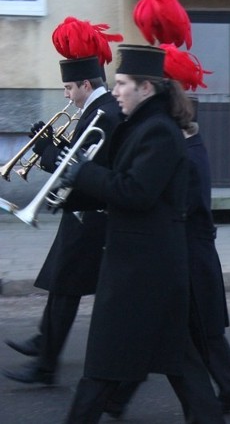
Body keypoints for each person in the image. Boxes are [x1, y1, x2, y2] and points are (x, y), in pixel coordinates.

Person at [59, 44, 223, 423]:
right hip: (146, 265)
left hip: (143, 270)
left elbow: (135, 191)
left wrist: (83, 173)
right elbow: (116, 183)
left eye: (122, 84)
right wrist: (71, 189)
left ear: (145, 88)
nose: (115, 91)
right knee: (181, 365)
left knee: (103, 366)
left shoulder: (159, 133)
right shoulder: (144, 126)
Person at [102, 99, 230, 418]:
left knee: (198, 333)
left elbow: (178, 208)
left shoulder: (186, 155)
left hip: (190, 256)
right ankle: (116, 397)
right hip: (188, 254)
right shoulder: (188, 147)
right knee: (173, 334)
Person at [3, 51, 122, 384]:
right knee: (59, 280)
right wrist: (51, 145)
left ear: (86, 84)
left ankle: (46, 364)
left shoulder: (105, 114)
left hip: (93, 215)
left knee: (66, 287)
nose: (66, 95)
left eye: (69, 87)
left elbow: (80, 168)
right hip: (81, 211)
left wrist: (48, 151)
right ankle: (45, 341)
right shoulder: (95, 110)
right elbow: (75, 159)